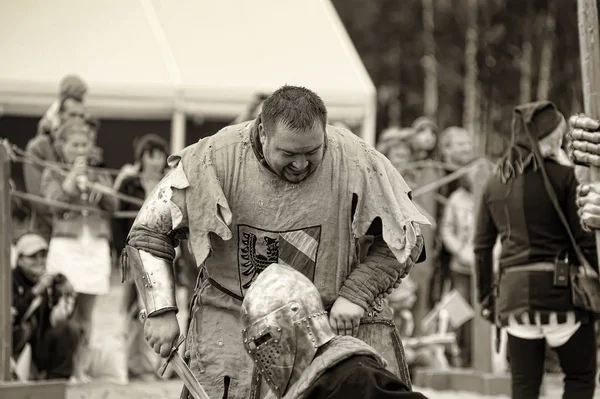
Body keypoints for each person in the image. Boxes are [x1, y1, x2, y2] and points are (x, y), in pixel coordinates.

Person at [121, 85, 430, 399]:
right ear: (263, 134)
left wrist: (357, 293)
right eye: (289, 153)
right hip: (232, 320)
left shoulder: (359, 160)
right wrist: (159, 310)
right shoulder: (212, 159)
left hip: (334, 322)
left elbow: (405, 238)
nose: (300, 164)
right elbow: (148, 231)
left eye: (312, 152)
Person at [474, 101, 597, 399]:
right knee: (580, 378)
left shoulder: (495, 182)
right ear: (552, 135)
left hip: (515, 298)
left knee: (524, 387)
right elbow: (584, 238)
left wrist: (487, 299)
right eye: (559, 131)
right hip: (562, 295)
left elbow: (481, 246)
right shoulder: (565, 177)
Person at [241, 263, 429, 399]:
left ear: (297, 322)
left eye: (266, 337)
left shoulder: (355, 375)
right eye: (256, 342)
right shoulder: (303, 383)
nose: (262, 350)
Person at [41, 118, 118, 382]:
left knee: (87, 313)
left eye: (85, 144)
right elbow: (53, 204)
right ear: (61, 146)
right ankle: (65, 366)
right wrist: (73, 177)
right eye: (75, 144)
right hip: (66, 246)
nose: (81, 149)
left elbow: (113, 205)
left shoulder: (99, 171)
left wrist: (100, 189)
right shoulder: (51, 170)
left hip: (94, 245)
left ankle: (81, 369)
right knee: (65, 311)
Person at [112, 134, 170, 381]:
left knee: (153, 308)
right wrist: (118, 252)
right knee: (131, 309)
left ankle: (147, 365)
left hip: (159, 255)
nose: (156, 160)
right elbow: (117, 220)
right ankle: (130, 364)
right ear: (142, 157)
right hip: (131, 253)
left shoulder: (169, 181)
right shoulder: (129, 182)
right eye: (151, 154)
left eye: (159, 155)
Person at [11, 233, 80, 380]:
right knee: (23, 330)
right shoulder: (10, 279)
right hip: (15, 342)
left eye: (43, 256)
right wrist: (35, 291)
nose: (39, 261)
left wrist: (68, 296)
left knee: (69, 329)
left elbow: (59, 319)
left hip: (39, 343)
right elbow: (13, 316)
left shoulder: (49, 282)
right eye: (33, 257)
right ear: (20, 259)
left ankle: (59, 378)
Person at [24, 95, 87, 240]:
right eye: (72, 114)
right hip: (48, 233)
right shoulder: (39, 147)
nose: (77, 120)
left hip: (82, 236)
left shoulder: (88, 150)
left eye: (81, 115)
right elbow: (37, 200)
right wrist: (62, 228)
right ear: (59, 115)